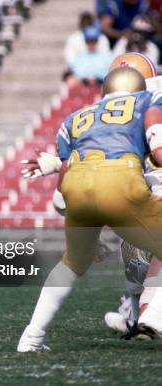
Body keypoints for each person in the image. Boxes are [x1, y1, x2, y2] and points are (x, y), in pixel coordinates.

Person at [17, 67, 162, 352]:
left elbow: (63, 187)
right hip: (121, 180)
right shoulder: (148, 101)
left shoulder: (77, 117)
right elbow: (157, 152)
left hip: (77, 185)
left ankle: (31, 338)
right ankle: (153, 318)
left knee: (70, 265)